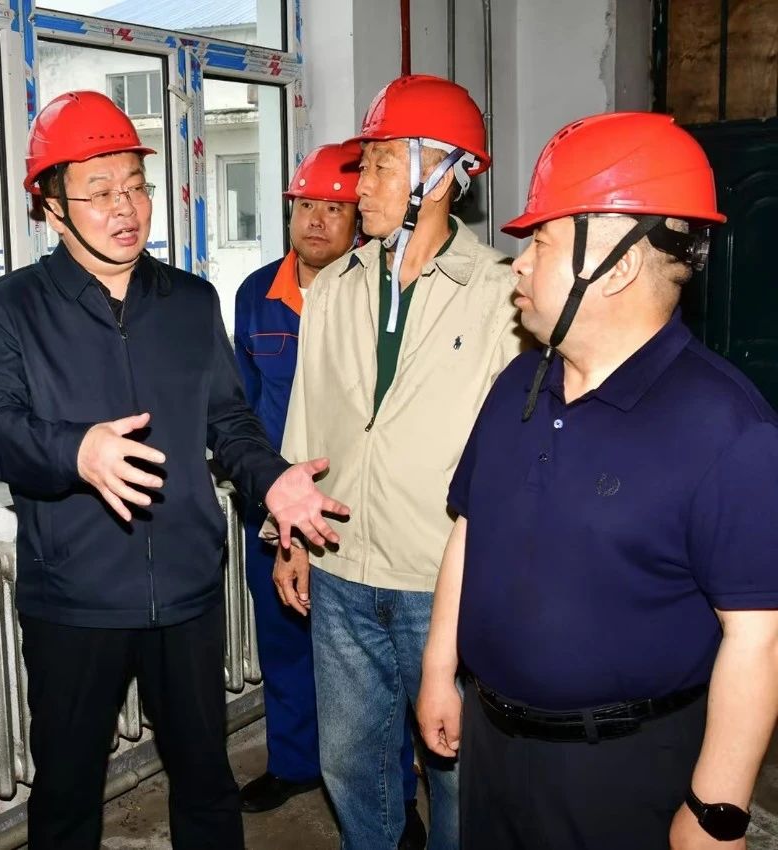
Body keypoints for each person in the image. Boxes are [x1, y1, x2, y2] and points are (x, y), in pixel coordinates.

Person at [0, 89, 347, 850]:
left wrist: (271, 478)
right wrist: (78, 451)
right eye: (100, 191)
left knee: (206, 783)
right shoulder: (10, 308)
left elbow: (230, 421)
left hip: (185, 588)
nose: (126, 207)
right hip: (74, 597)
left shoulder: (190, 302)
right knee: (67, 792)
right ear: (50, 208)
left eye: (136, 186)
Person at [417, 110, 778, 850]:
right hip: (492, 749)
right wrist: (438, 669)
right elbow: (470, 530)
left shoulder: (728, 428)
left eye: (541, 242)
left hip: (622, 772)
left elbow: (759, 638)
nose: (518, 264)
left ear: (615, 267)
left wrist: (717, 812)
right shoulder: (519, 382)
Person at [268, 74, 524, 850]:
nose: (360, 185)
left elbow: (513, 460)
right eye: (365, 164)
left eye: (381, 164)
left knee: (455, 768)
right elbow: (307, 416)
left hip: (440, 579)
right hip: (340, 568)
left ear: (441, 174)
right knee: (351, 762)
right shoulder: (335, 289)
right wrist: (292, 537)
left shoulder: (500, 295)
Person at [231, 140, 424, 844]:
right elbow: (241, 408)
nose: (315, 220)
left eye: (334, 208)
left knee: (377, 669)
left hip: (356, 510)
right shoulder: (256, 295)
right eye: (305, 205)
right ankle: (293, 763)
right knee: (284, 643)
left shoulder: (384, 295)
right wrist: (258, 494)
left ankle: (393, 797)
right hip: (277, 509)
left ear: (359, 219)